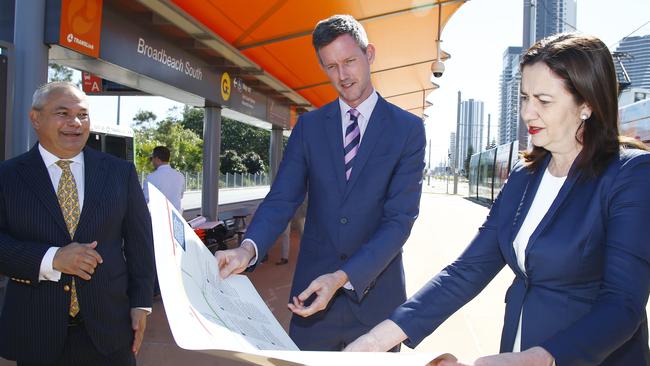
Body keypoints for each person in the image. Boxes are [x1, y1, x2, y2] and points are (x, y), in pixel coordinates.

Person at [345, 33, 650, 366]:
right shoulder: (524, 176)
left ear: (587, 105)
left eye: (543, 101)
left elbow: (622, 304)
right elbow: (467, 270)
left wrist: (542, 358)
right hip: (519, 348)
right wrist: (377, 338)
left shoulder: (629, 175)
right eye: (524, 97)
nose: (527, 112)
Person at [215, 14, 425, 350]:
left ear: (369, 54)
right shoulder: (309, 127)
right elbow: (282, 197)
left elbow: (399, 221)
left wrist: (342, 277)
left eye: (349, 61)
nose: (342, 75)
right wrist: (247, 248)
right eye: (331, 67)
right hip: (311, 302)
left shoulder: (408, 130)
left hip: (375, 302)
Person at [0, 81, 155, 365]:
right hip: (36, 334)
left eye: (82, 114)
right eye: (63, 113)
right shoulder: (7, 177)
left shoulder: (120, 173)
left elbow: (140, 244)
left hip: (111, 332)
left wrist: (141, 303)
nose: (75, 123)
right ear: (36, 118)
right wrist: (53, 259)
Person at [143, 146, 185, 213]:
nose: (152, 161)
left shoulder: (151, 177)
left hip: (159, 220)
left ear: (157, 159)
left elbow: (144, 201)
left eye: (152, 158)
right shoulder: (180, 176)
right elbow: (180, 196)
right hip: (176, 219)